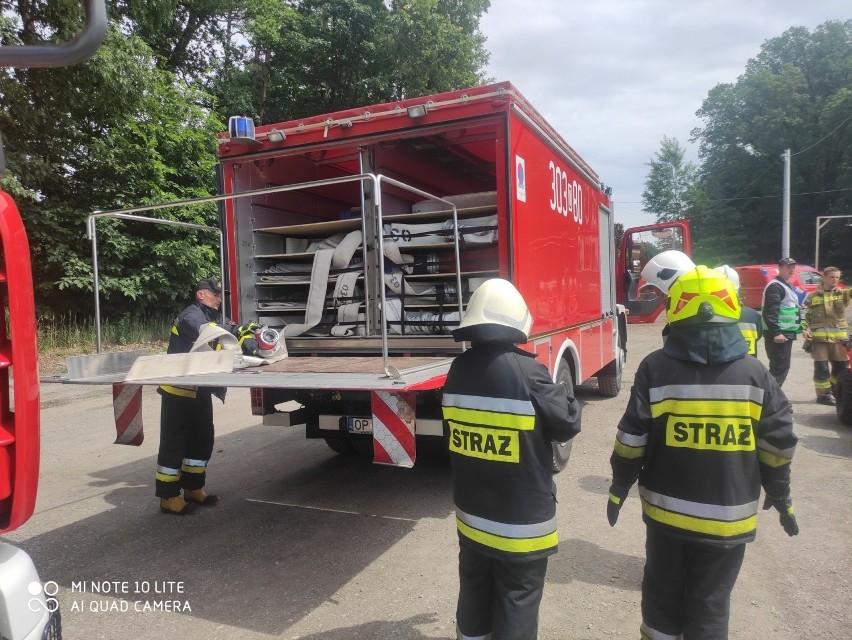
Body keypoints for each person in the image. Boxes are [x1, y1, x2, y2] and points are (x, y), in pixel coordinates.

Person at [607, 265, 798, 640]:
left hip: (666, 519)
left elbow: (632, 438)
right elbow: (779, 443)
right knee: (711, 606)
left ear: (676, 307)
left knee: (661, 601)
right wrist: (780, 494)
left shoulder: (654, 368)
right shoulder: (756, 374)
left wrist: (618, 487)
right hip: (730, 521)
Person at [441, 278, 581, 640]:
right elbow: (567, 424)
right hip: (521, 527)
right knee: (517, 601)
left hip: (472, 520)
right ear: (515, 322)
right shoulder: (528, 372)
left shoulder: (457, 371)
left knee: (474, 594)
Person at [156, 277, 261, 515]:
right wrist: (233, 330)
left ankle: (193, 489)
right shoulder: (191, 316)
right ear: (200, 295)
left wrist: (246, 335)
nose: (218, 299)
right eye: (214, 294)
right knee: (175, 444)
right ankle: (168, 496)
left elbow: (229, 332)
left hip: (200, 388)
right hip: (179, 390)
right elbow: (208, 333)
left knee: (202, 439)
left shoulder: (211, 318)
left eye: (219, 295)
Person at [801, 266, 852, 406]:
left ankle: (836, 390)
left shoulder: (843, 294)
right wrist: (804, 329)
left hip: (839, 340)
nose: (835, 280)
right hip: (819, 341)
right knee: (822, 369)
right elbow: (805, 315)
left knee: (841, 368)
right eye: (832, 277)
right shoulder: (812, 296)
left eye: (837, 277)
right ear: (823, 277)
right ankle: (824, 395)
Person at [761, 257, 802, 386]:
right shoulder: (775, 286)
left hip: (784, 333)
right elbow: (770, 312)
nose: (791, 269)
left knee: (780, 368)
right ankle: (770, 400)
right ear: (779, 268)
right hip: (779, 334)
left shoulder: (785, 285)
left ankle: (770, 399)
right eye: (788, 267)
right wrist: (776, 332)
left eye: (793, 267)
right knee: (779, 369)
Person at [717, 265, 763, 356]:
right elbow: (758, 335)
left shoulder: (707, 317)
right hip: (748, 366)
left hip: (721, 368)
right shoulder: (752, 315)